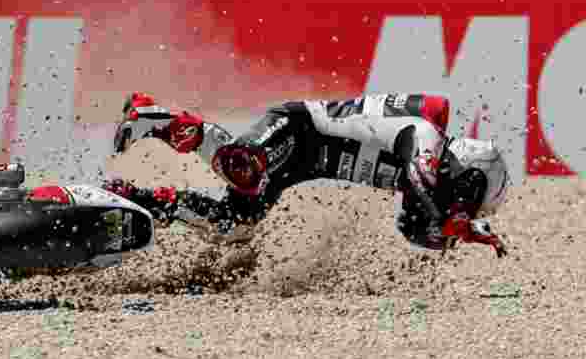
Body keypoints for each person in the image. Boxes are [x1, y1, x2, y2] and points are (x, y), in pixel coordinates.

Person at [105, 92, 511, 257]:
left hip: (297, 166)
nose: (462, 202)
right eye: (469, 194)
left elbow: (411, 229)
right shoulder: (426, 138)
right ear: (469, 170)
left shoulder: (427, 184)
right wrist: (460, 220)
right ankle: (152, 115)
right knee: (243, 169)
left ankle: (134, 198)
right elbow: (422, 177)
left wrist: (452, 234)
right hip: (299, 126)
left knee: (232, 226)